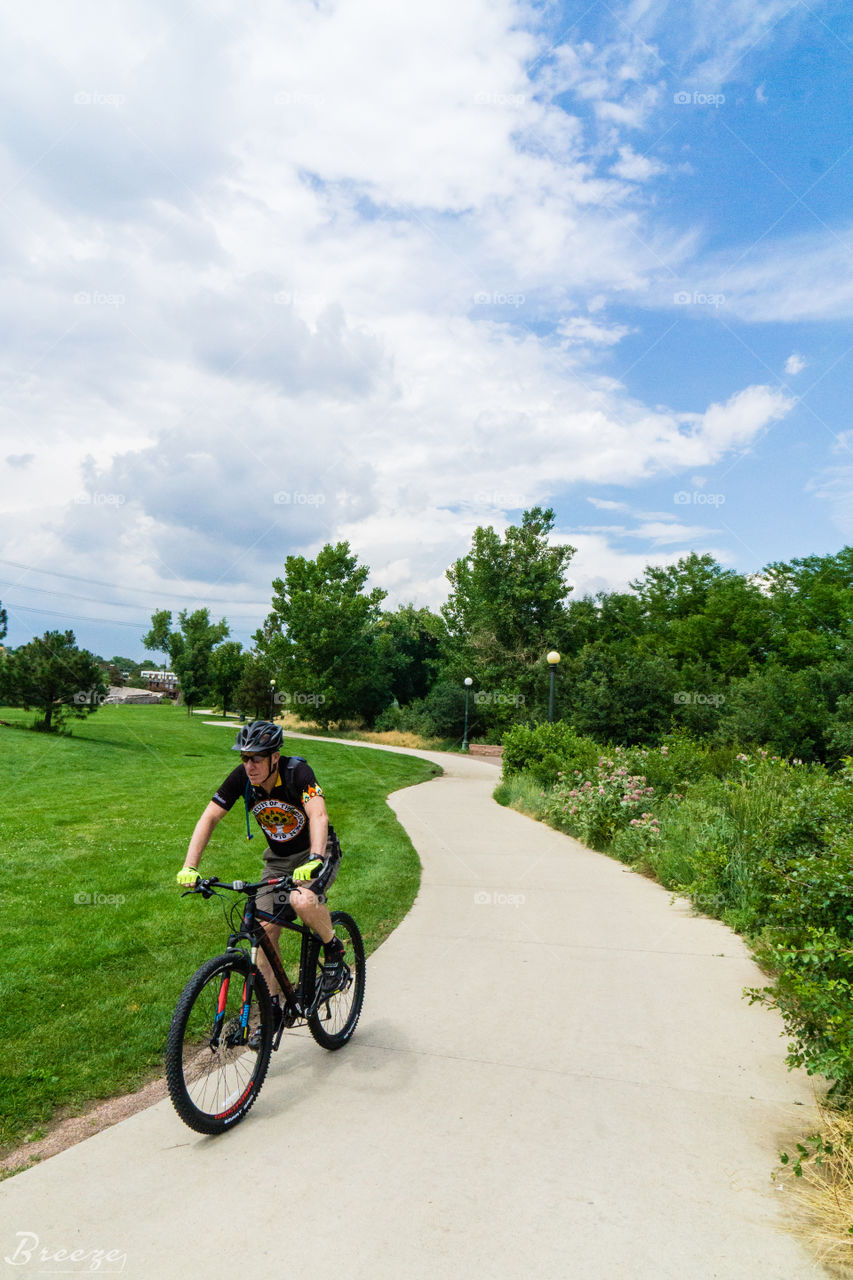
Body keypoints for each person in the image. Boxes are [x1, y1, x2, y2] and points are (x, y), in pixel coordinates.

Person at [176, 720, 347, 1040]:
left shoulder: (297, 773)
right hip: (279, 862)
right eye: (244, 758)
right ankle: (273, 1009)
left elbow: (318, 815)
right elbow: (209, 816)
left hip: (316, 852)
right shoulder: (243, 778)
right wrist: (190, 866)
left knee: (301, 900)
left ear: (274, 757)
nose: (249, 765)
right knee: (263, 931)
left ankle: (333, 949)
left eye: (256, 758)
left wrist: (315, 858)